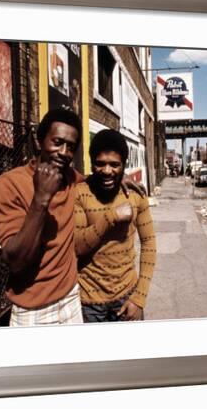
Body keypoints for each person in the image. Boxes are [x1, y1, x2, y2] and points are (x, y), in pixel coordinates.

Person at [0, 109, 144, 326]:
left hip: (72, 298)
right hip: (33, 308)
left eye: (70, 146)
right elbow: (16, 261)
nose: (63, 152)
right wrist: (41, 199)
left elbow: (97, 178)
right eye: (57, 142)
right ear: (39, 140)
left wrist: (119, 176)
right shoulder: (9, 185)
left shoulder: (72, 179)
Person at [74, 129, 157, 322]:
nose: (107, 171)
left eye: (114, 165)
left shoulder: (136, 195)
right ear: (92, 162)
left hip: (128, 296)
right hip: (88, 304)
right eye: (100, 163)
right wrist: (111, 217)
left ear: (124, 165)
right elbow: (76, 246)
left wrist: (140, 297)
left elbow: (149, 244)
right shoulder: (79, 193)